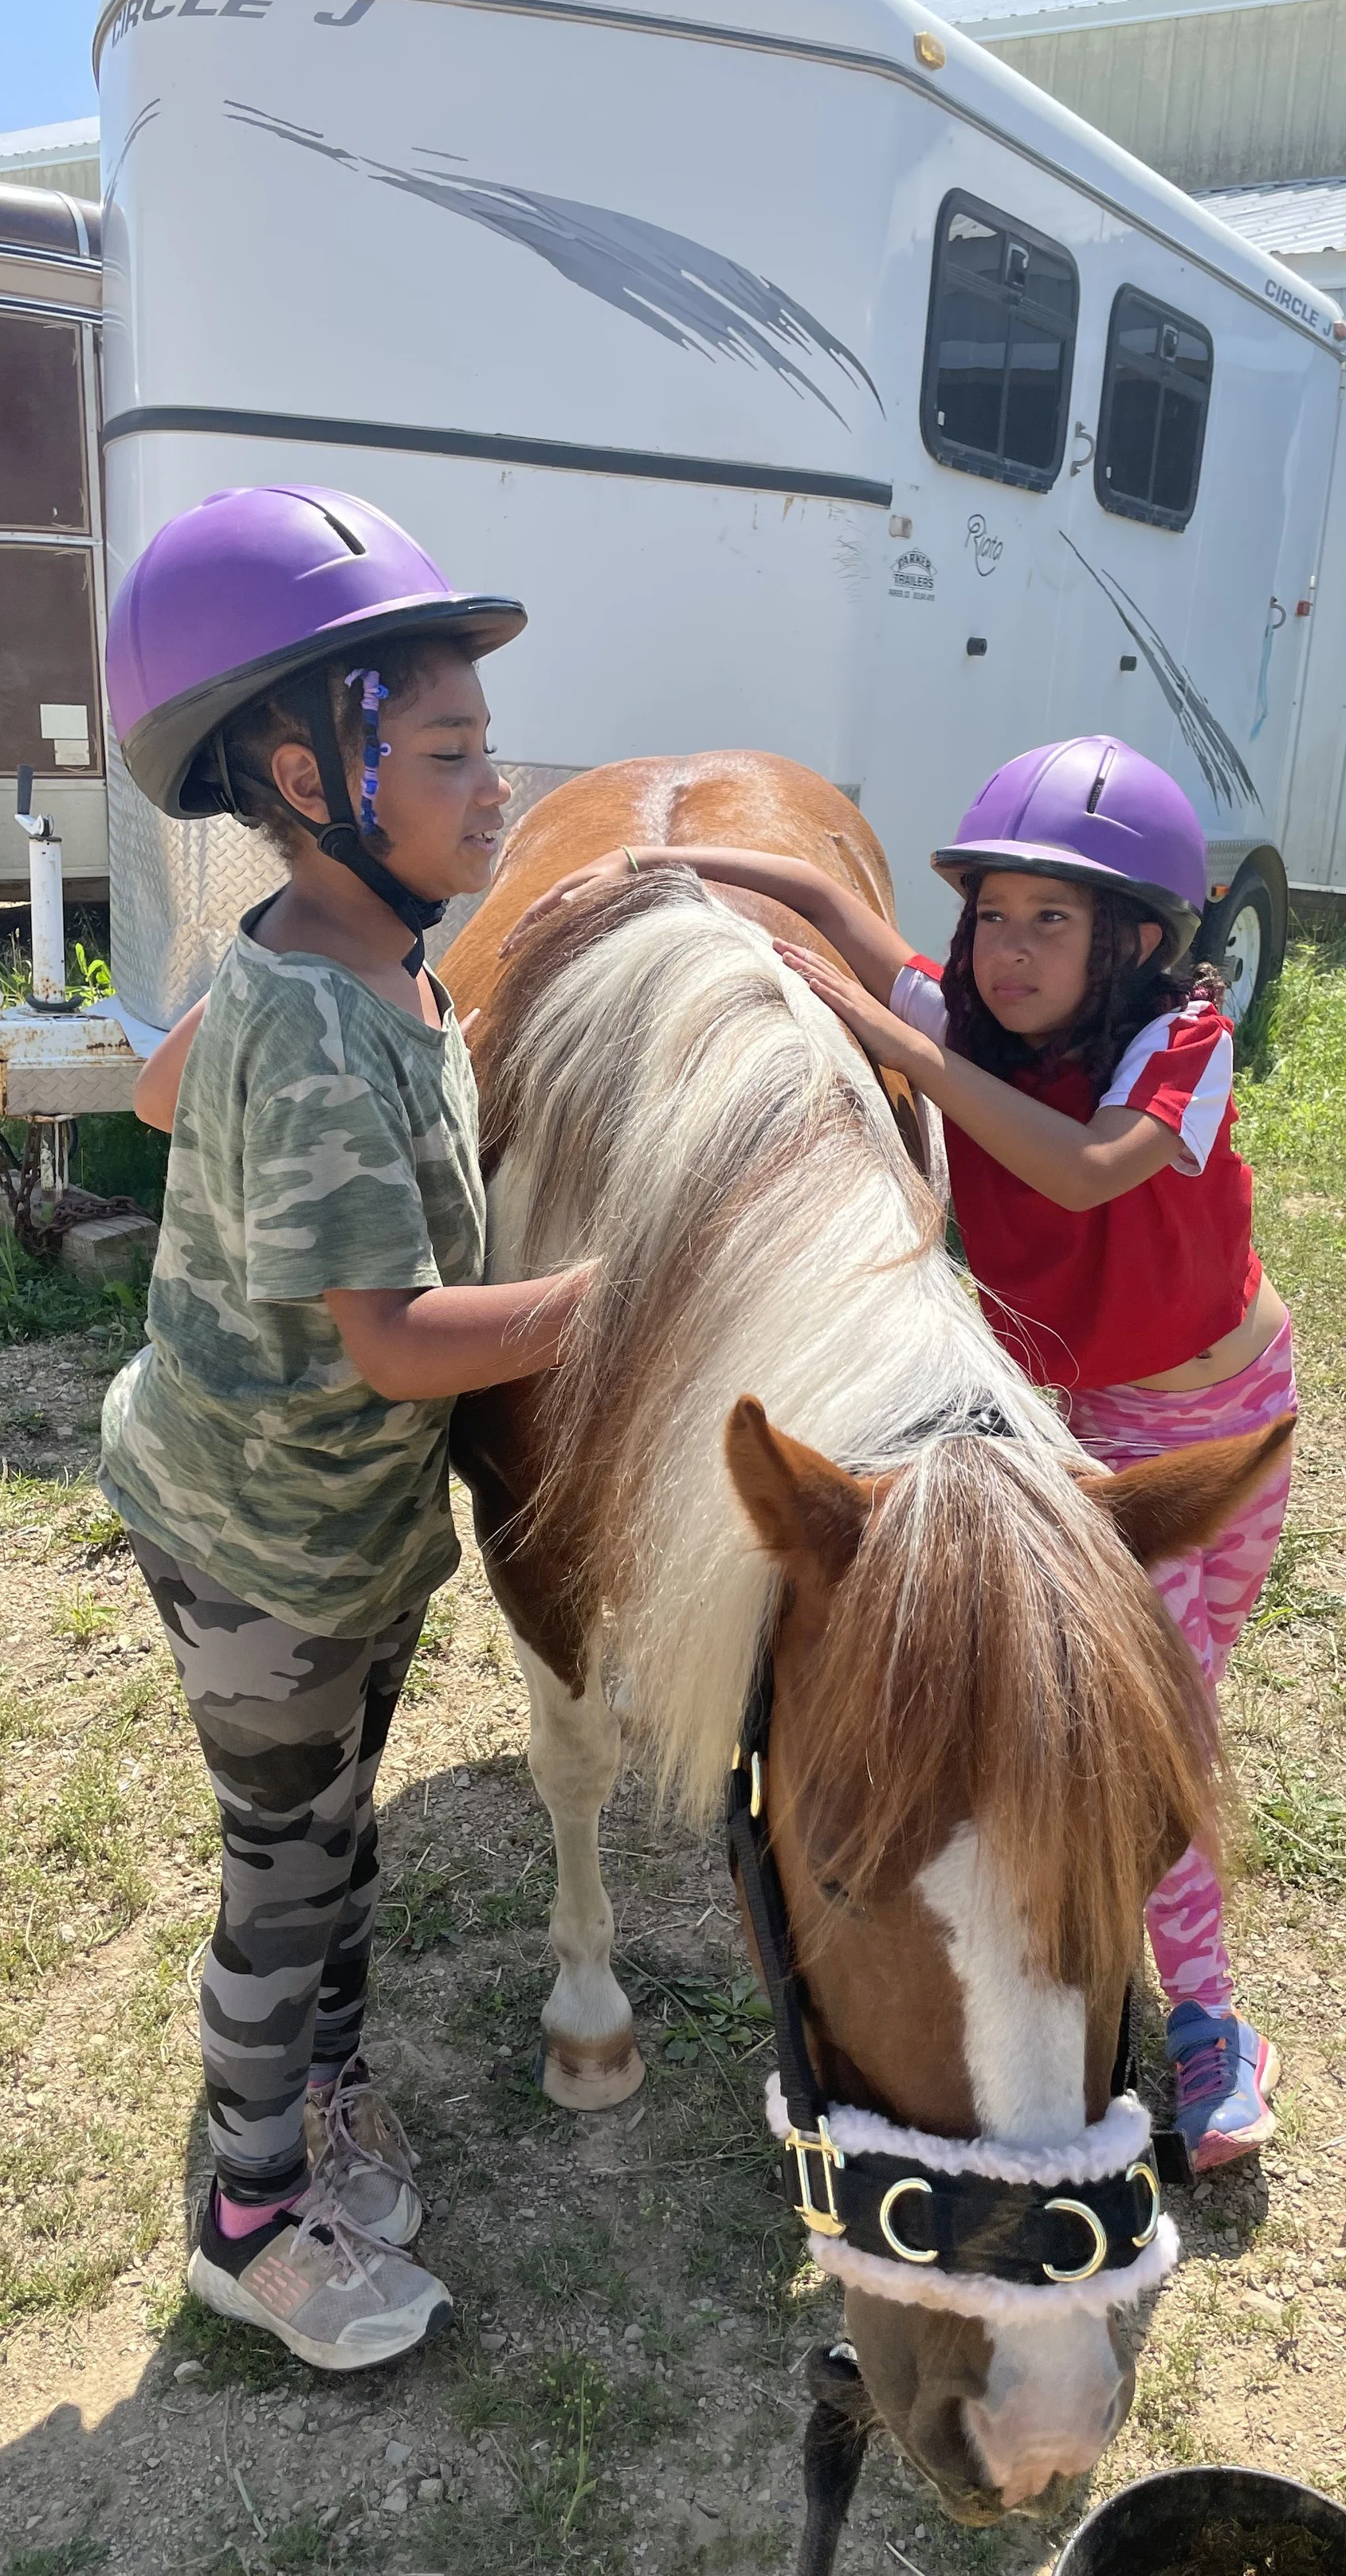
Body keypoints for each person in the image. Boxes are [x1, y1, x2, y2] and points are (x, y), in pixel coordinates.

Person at [508, 738, 1293, 2171]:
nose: (1007, 950)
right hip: (1091, 1418)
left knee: (1138, 1727)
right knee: (1050, 1717)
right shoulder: (978, 1017)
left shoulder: (1184, 1047)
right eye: (989, 916)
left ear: (1139, 943)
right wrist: (673, 869)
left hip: (1206, 1419)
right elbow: (834, 901)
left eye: (1050, 921)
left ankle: (1200, 2013)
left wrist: (893, 1044)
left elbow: (1080, 1169)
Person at [101, 485, 591, 2366]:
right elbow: (390, 1342)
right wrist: (607, 1292)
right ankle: (246, 2217)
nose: (498, 788)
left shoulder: (324, 967)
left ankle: (316, 2100)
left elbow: (158, 1095)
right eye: (454, 753)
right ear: (309, 773)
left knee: (339, 1839)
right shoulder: (311, 1017)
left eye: (489, 748)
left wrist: (214, 1096)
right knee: (282, 1877)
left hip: (342, 1528)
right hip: (261, 1543)